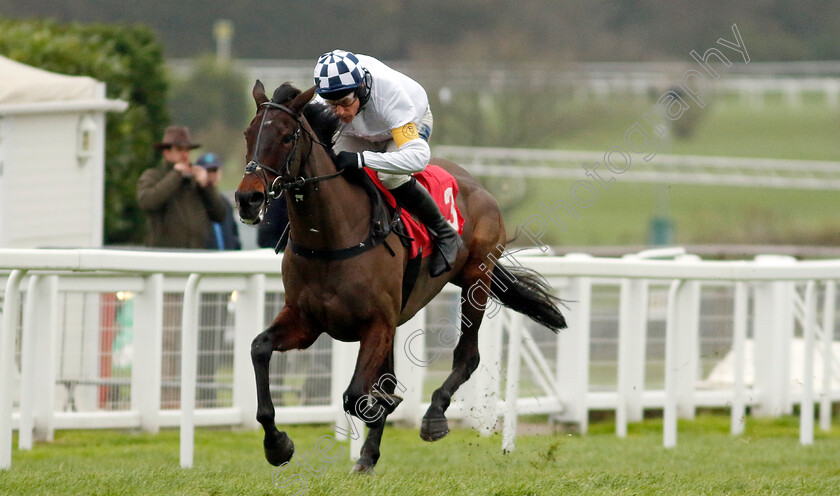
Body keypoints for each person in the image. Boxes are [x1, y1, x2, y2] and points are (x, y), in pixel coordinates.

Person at [313, 49, 463, 277]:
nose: (340, 112)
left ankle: (445, 232)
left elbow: (418, 158)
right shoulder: (326, 102)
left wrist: (362, 159)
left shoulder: (390, 95)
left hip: (405, 124)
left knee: (390, 176)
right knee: (332, 170)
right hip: (359, 131)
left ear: (361, 88)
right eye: (333, 105)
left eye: (345, 103)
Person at [136, 125, 227, 249]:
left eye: (187, 150)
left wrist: (206, 186)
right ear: (166, 152)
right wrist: (175, 175)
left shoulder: (196, 181)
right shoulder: (153, 175)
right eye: (179, 149)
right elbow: (147, 202)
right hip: (163, 257)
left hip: (195, 257)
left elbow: (220, 215)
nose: (185, 155)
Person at [195, 152, 241, 250]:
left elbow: (234, 235)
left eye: (214, 171)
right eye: (208, 171)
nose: (212, 175)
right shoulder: (194, 202)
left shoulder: (225, 203)